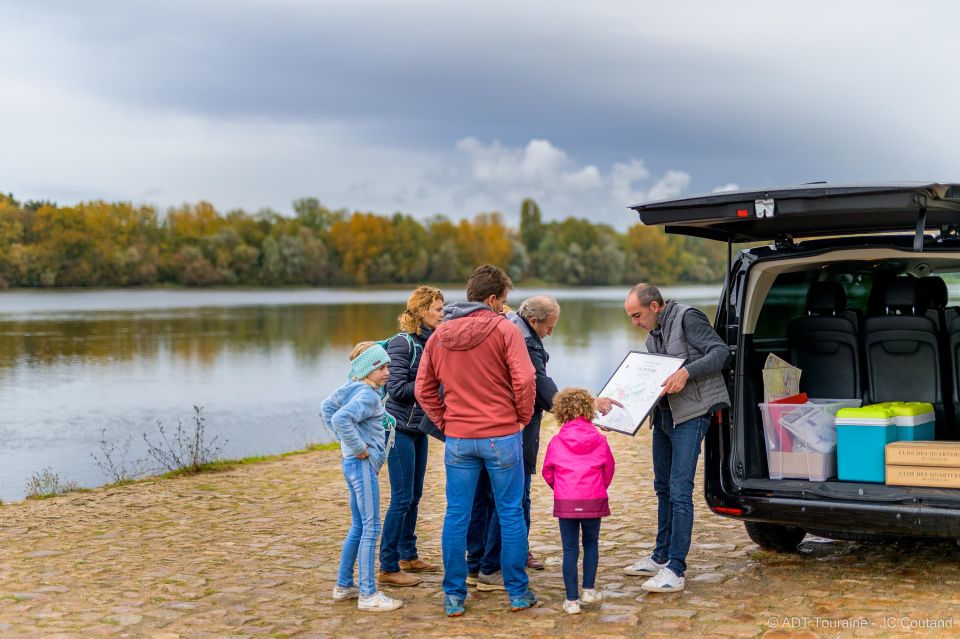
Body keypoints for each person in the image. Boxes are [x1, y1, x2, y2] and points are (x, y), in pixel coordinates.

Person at [415, 264, 538, 617]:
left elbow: (424, 389)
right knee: (510, 512)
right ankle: (517, 593)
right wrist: (521, 417)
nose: (503, 307)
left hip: (459, 439)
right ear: (492, 298)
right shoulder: (504, 329)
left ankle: (454, 596)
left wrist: (446, 421)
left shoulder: (439, 335)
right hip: (501, 434)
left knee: (457, 514)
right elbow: (526, 379)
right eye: (502, 301)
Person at [622, 283, 731, 593]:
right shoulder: (653, 333)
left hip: (694, 413)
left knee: (680, 489)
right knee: (662, 487)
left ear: (655, 306)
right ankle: (659, 557)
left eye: (637, 315)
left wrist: (687, 372)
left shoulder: (687, 318)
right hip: (666, 415)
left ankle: (676, 570)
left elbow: (721, 352)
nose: (635, 322)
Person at [322, 341, 403, 612]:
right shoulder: (367, 395)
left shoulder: (355, 388)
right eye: (381, 367)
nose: (387, 372)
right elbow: (340, 419)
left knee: (358, 526)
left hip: (352, 466)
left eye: (388, 366)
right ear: (367, 370)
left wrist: (382, 420)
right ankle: (368, 594)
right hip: (362, 466)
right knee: (371, 527)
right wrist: (357, 447)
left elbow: (327, 407)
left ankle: (344, 585)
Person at [378, 286, 445, 588]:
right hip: (399, 430)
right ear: (421, 312)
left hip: (419, 429)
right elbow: (396, 390)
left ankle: (408, 554)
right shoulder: (402, 344)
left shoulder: (432, 340)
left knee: (415, 496)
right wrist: (430, 385)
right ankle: (388, 565)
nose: (443, 314)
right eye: (438, 309)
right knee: (401, 498)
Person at [542, 387, 615, 615]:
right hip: (594, 498)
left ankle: (572, 601)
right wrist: (598, 488)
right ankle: (589, 590)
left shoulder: (556, 441)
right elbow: (608, 469)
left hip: (566, 501)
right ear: (589, 410)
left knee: (570, 550)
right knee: (591, 544)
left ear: (562, 412)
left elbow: (548, 472)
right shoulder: (599, 438)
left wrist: (561, 489)